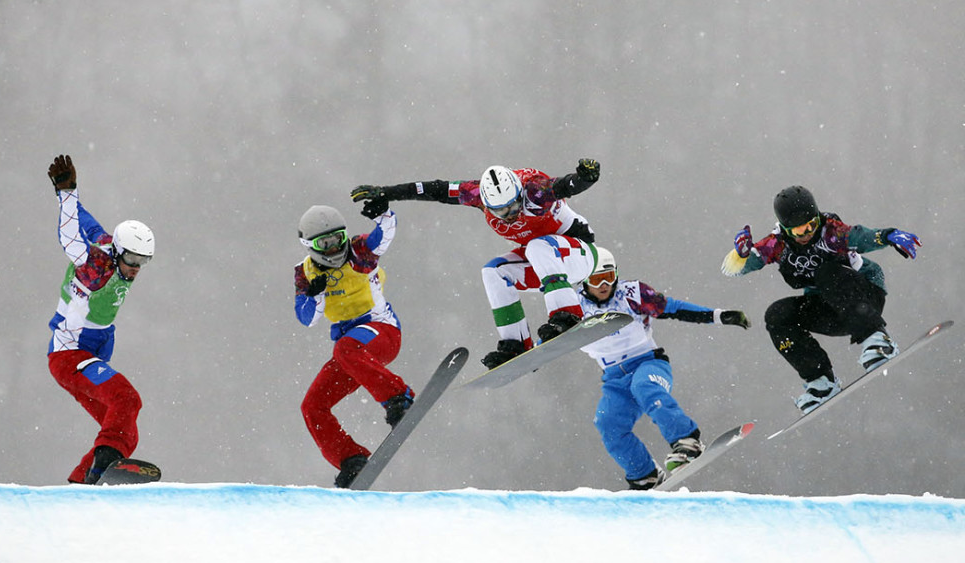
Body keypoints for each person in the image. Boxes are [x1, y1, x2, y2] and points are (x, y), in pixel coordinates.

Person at [350, 160, 602, 369]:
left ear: (518, 194)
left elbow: (566, 185)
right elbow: (435, 189)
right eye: (501, 212)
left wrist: (586, 176)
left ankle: (567, 316)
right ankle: (515, 343)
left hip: (578, 253)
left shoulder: (534, 191)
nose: (510, 215)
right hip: (544, 263)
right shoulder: (476, 194)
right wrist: (386, 192)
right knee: (494, 271)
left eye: (513, 206)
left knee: (538, 246)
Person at [722, 185, 921, 413]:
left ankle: (878, 340)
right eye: (798, 231)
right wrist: (740, 256)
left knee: (827, 272)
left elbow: (860, 236)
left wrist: (888, 235)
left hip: (864, 298)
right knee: (777, 315)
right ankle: (821, 381)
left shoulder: (831, 232)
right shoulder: (777, 245)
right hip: (831, 311)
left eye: (811, 225)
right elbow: (741, 268)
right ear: (786, 230)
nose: (806, 233)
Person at [577, 247, 751, 489]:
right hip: (614, 380)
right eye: (597, 280)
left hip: (648, 363)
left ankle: (686, 441)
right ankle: (643, 474)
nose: (605, 284)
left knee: (644, 386)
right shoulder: (572, 306)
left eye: (610, 276)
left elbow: (673, 308)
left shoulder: (632, 293)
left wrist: (717, 316)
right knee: (608, 423)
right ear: (584, 281)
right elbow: (555, 340)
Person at [45, 154, 155, 484]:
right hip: (69, 356)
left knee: (125, 430)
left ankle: (82, 482)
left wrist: (67, 195)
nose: (135, 267)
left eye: (144, 261)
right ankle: (100, 467)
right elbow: (70, 239)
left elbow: (86, 221)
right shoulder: (94, 265)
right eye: (133, 258)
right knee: (127, 399)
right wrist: (66, 193)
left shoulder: (111, 244)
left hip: (86, 357)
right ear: (119, 251)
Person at [294, 199, 414, 488]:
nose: (335, 248)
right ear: (311, 246)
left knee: (346, 348)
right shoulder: (305, 273)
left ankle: (399, 397)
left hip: (381, 331)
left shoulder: (359, 252)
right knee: (313, 406)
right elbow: (306, 318)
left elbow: (383, 236)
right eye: (326, 244)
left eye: (338, 239)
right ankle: (350, 459)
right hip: (351, 351)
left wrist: (383, 212)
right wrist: (315, 295)